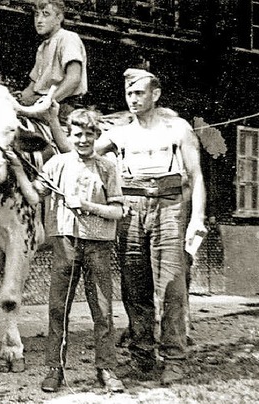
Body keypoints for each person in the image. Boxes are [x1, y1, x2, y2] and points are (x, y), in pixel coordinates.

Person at [95, 68, 207, 385]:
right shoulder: (121, 133)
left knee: (172, 284)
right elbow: (84, 150)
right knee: (135, 286)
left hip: (170, 207)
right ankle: (142, 358)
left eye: (139, 93)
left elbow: (196, 176)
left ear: (155, 94)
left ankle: (174, 359)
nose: (133, 99)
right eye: (129, 94)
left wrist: (196, 218)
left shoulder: (179, 129)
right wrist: (51, 121)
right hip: (131, 209)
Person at [33, 105, 126, 393]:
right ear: (69, 135)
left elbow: (118, 211)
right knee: (58, 309)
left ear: (97, 135)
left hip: (98, 245)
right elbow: (36, 191)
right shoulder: (56, 164)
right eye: (78, 134)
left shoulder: (107, 167)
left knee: (102, 310)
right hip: (65, 243)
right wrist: (17, 169)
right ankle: (54, 369)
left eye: (89, 134)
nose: (83, 140)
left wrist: (87, 206)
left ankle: (106, 369)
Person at [18, 0, 87, 123]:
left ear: (59, 18)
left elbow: (74, 79)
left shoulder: (68, 38)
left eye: (46, 14)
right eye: (36, 15)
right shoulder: (43, 46)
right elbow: (33, 86)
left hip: (61, 105)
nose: (39, 20)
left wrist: (46, 102)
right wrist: (17, 99)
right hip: (41, 100)